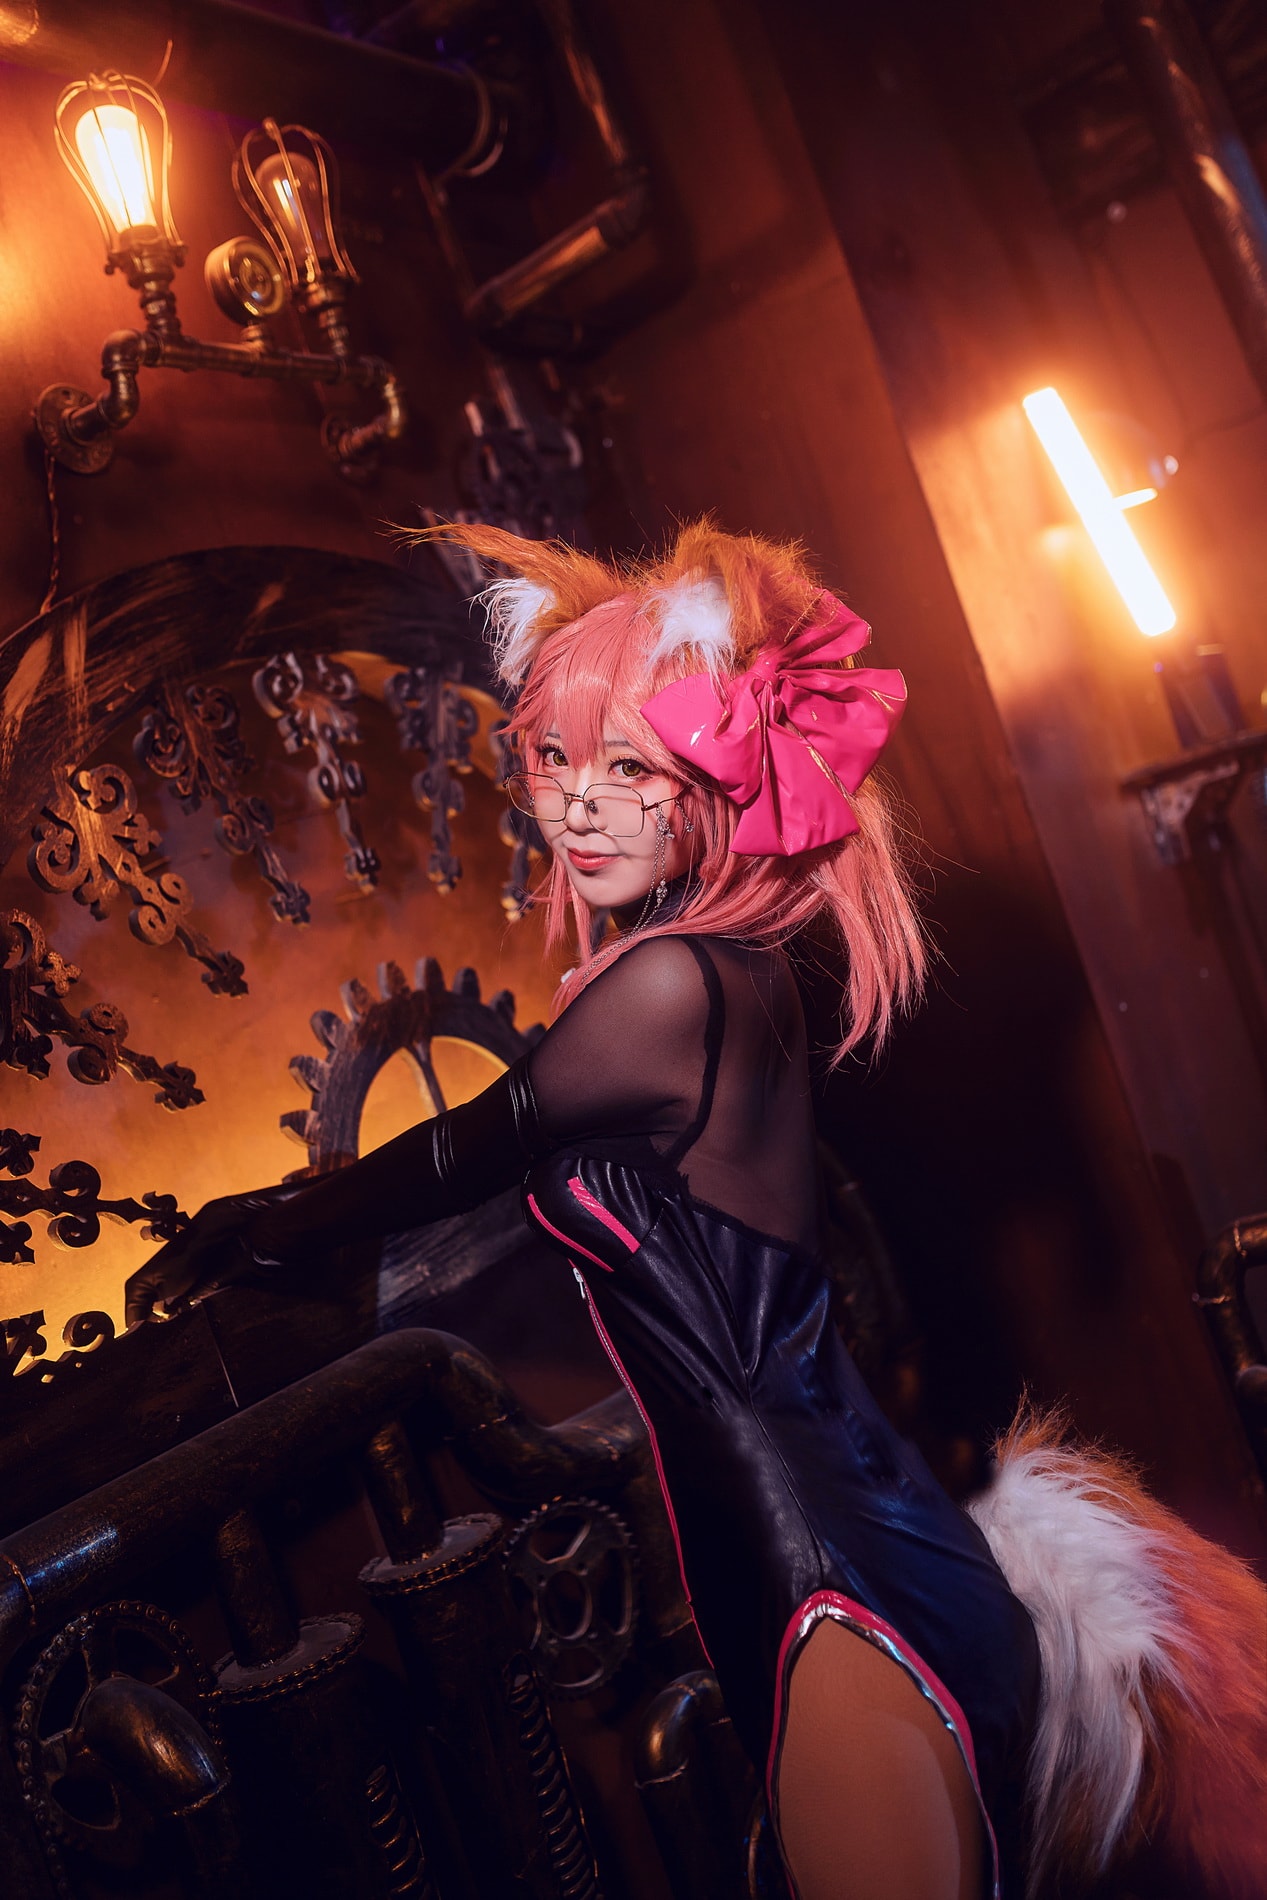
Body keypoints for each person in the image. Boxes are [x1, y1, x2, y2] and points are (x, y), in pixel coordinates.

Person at [126, 523, 1265, 1900]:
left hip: (821, 1572)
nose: (580, 806)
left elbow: (467, 1150)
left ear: (715, 783)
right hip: (860, 1534)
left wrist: (265, 1227)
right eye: (557, 761)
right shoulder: (732, 970)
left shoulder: (667, 989)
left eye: (630, 769)